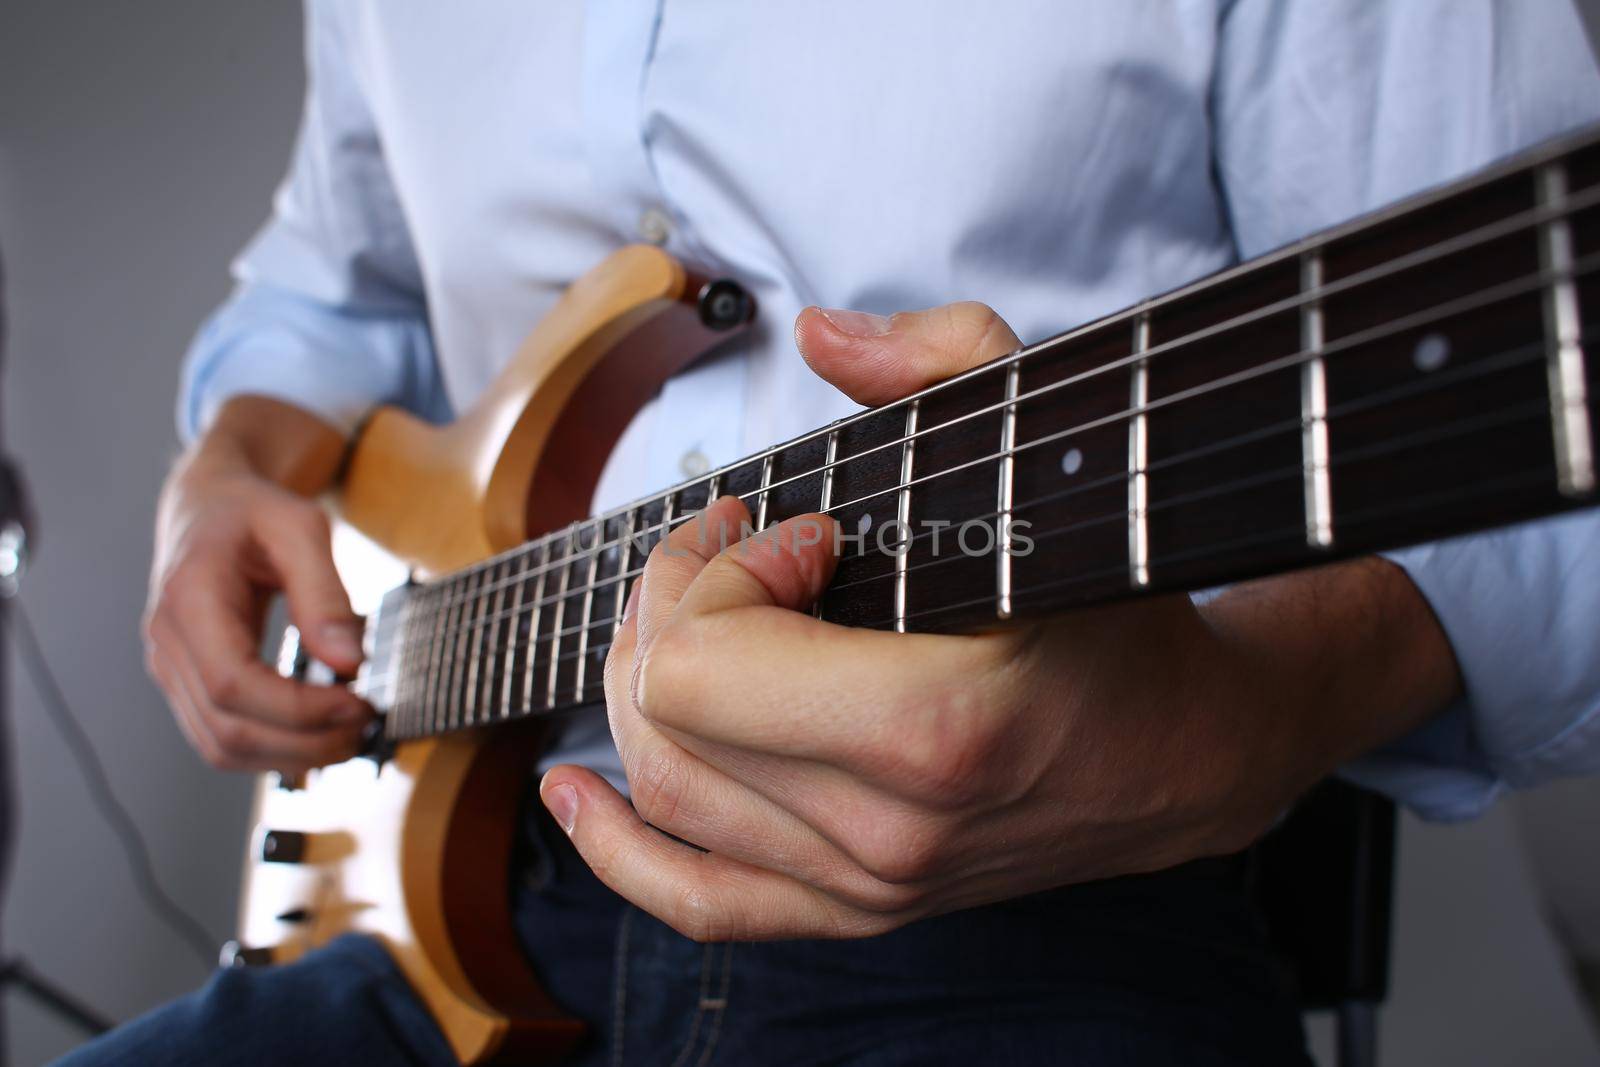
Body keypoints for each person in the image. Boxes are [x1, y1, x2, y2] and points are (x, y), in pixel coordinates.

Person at [67, 2, 1600, 1064]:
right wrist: (219, 472)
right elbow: (332, 296)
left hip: (1039, 924)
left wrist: (1240, 717)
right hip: (455, 920)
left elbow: (1520, 449)